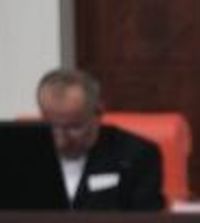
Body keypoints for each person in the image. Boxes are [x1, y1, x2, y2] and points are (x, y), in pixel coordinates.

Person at [35, 68, 165, 211]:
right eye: (51, 126)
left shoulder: (136, 155)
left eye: (74, 127)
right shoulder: (24, 155)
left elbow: (146, 219)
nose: (61, 141)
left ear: (98, 112)